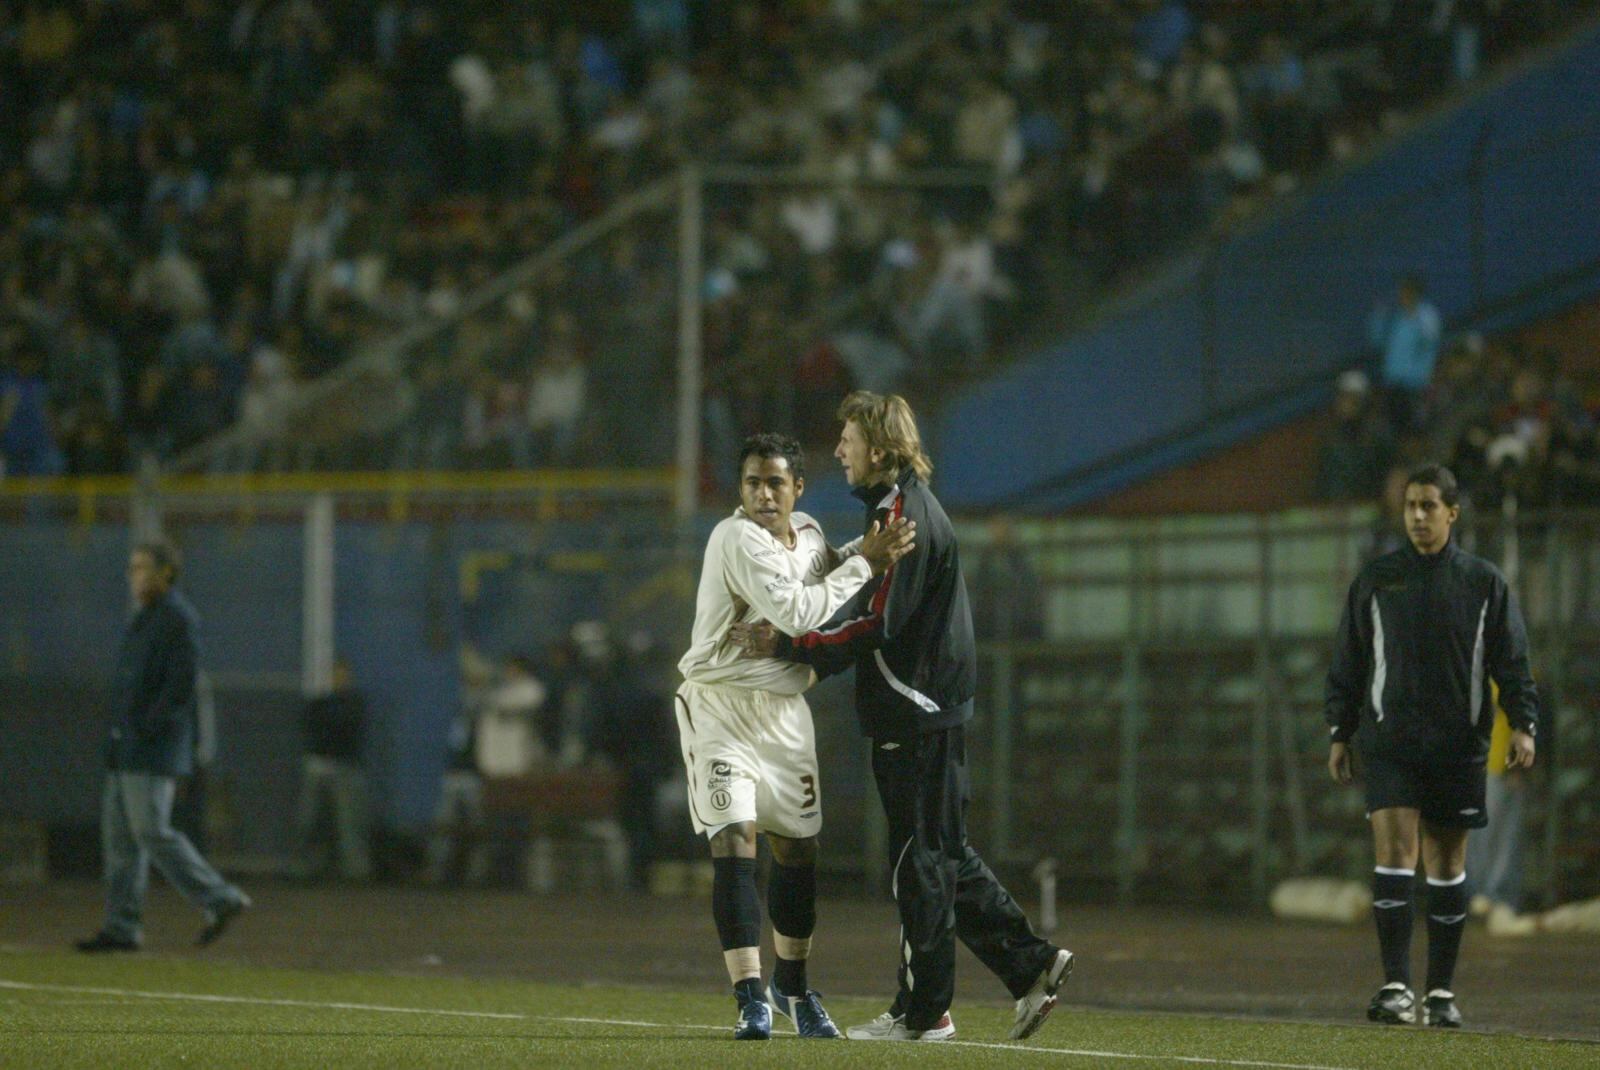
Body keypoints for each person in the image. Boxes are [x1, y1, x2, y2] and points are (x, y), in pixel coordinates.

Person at [733, 392, 1072, 1043]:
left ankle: (924, 1014)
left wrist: (793, 648)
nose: (838, 452)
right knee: (938, 855)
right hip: (920, 708)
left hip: (916, 712)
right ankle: (1030, 966)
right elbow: (862, 589)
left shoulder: (907, 518)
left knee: (922, 863)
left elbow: (874, 624)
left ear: (880, 448)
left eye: (849, 442)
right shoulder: (895, 511)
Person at [676, 431, 915, 1041]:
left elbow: (818, 566)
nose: (763, 493)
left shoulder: (806, 532)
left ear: (797, 488)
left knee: (797, 850)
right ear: (740, 489)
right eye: (752, 482)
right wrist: (869, 562)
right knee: (734, 841)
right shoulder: (733, 538)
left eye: (775, 482)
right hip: (722, 707)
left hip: (784, 710)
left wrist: (855, 551)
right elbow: (798, 615)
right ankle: (749, 995)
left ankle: (793, 984)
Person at [1324, 463, 1537, 1027]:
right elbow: (1348, 663)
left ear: (1452, 513)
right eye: (1411, 507)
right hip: (1390, 742)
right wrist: (1339, 731)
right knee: (1394, 854)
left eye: (1429, 507)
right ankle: (1395, 986)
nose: (1418, 516)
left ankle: (1440, 993)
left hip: (1458, 745)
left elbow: (1510, 662)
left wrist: (1523, 723)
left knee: (1446, 864)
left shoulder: (1483, 583)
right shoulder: (1375, 581)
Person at [75, 540, 252, 952]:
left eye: (141, 568)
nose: (133, 577)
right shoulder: (146, 618)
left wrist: (147, 731)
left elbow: (179, 690)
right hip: (125, 749)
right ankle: (122, 928)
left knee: (151, 831)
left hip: (151, 750)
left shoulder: (177, 618)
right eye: (131, 568)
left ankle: (221, 897)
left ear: (166, 573)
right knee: (120, 844)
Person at [294, 659, 372, 881]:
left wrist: (330, 721)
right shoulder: (319, 702)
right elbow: (310, 725)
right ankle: (307, 868)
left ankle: (355, 871)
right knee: (309, 820)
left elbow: (346, 727)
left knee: (349, 823)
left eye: (342, 675)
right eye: (334, 675)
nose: (338, 679)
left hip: (344, 767)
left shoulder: (354, 703)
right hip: (318, 765)